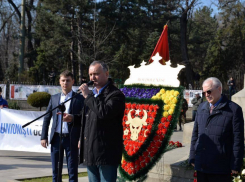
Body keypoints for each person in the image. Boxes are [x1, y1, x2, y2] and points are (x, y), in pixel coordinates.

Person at [74, 61, 125, 182]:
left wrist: (88, 97)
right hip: (90, 150)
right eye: (90, 74)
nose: (92, 78)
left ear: (106, 74)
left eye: (96, 74)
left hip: (107, 152)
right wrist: (72, 118)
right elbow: (86, 118)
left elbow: (104, 112)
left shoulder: (116, 95)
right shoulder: (92, 95)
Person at [189, 77, 244, 182]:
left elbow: (238, 139)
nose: (206, 95)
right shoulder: (201, 107)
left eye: (209, 91)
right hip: (202, 165)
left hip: (220, 167)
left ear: (219, 89)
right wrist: (192, 156)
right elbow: (195, 134)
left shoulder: (234, 110)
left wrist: (235, 164)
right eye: (204, 92)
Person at [41, 70, 84, 182]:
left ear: (73, 81)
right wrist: (43, 136)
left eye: (68, 80)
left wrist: (73, 117)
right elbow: (47, 118)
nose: (65, 83)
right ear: (59, 82)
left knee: (72, 170)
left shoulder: (79, 98)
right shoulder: (54, 98)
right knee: (56, 171)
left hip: (71, 138)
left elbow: (84, 118)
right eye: (63, 80)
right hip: (56, 138)